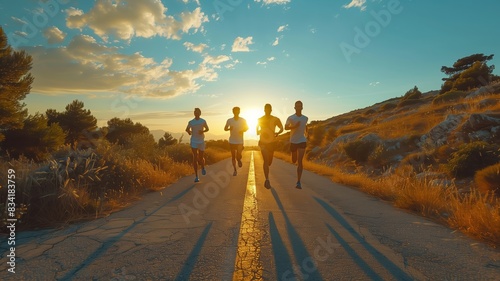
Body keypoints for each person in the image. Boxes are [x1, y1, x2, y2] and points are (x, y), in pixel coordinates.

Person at [257, 103, 283, 189]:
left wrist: (277, 133)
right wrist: (258, 131)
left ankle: (267, 177)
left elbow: (281, 128)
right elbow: (257, 127)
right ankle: (267, 180)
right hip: (263, 142)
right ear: (264, 110)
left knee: (269, 162)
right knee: (266, 160)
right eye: (266, 109)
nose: (267, 110)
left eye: (269, 109)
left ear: (271, 110)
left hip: (272, 142)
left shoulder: (275, 119)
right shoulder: (260, 119)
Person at [285, 100, 308, 189]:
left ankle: (298, 182)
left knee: (300, 162)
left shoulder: (305, 118)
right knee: (294, 160)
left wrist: (307, 134)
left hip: (302, 141)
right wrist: (294, 127)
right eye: (297, 106)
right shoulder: (291, 118)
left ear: (302, 107)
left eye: (300, 106)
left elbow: (305, 125)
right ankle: (298, 181)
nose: (298, 108)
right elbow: (286, 127)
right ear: (294, 108)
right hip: (293, 141)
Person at [185, 108, 209, 182]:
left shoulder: (203, 121)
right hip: (194, 141)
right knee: (195, 157)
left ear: (200, 113)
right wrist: (189, 132)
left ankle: (202, 167)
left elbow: (207, 129)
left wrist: (203, 131)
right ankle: (196, 176)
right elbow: (187, 129)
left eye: (198, 112)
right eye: (195, 112)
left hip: (201, 141)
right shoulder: (191, 122)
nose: (196, 114)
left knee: (201, 157)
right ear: (194, 113)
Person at [224, 107, 249, 176]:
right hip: (232, 140)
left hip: (240, 141)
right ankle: (235, 170)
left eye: (237, 111)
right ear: (233, 112)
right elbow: (225, 128)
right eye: (235, 111)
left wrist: (243, 130)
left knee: (238, 155)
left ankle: (239, 159)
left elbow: (247, 127)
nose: (236, 112)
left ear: (239, 112)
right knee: (233, 156)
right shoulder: (229, 120)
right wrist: (229, 128)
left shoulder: (243, 120)